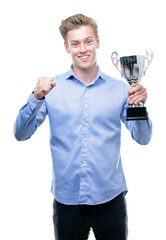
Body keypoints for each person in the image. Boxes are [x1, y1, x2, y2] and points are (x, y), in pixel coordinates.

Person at [14, 13, 152, 240]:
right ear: (67, 47)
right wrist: (36, 97)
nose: (83, 49)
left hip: (111, 201)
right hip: (67, 203)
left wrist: (139, 107)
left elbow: (143, 138)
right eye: (75, 43)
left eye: (88, 41)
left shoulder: (120, 89)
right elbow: (21, 134)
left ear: (97, 42)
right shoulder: (51, 89)